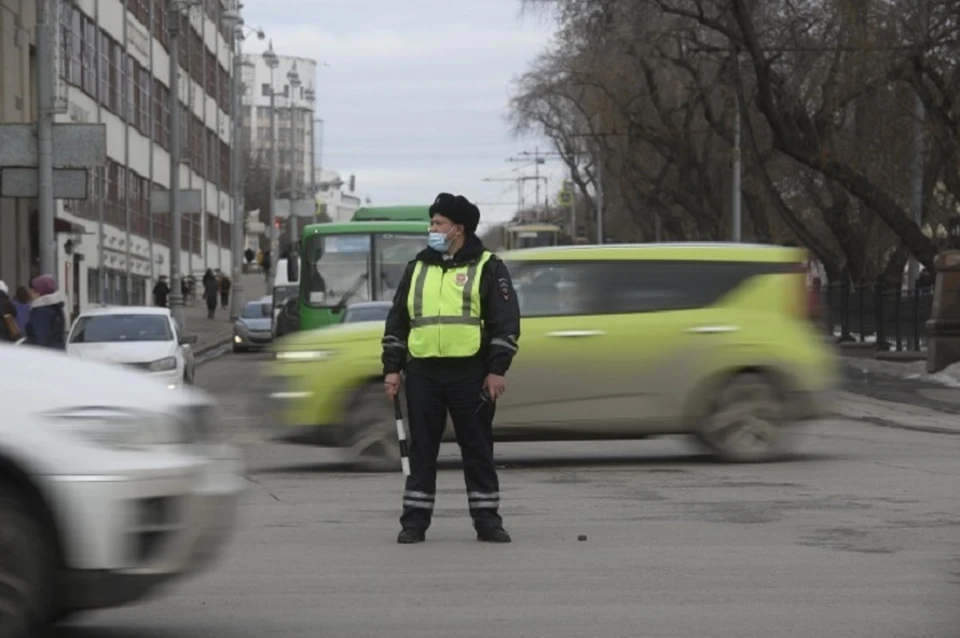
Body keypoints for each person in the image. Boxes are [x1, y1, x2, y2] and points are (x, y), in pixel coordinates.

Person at [381, 192, 521, 545]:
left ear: (458, 229)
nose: (432, 229)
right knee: (422, 451)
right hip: (424, 373)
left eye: (438, 223)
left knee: (477, 449)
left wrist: (496, 370)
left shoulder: (489, 266)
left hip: (470, 373)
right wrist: (392, 368)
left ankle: (487, 521)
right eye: (432, 223)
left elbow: (506, 323)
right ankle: (414, 522)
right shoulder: (417, 268)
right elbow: (398, 321)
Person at [25, 274, 67, 350]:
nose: (30, 293)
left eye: (32, 289)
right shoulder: (55, 308)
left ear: (38, 292)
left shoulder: (41, 312)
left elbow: (40, 339)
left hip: (45, 357)